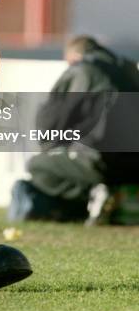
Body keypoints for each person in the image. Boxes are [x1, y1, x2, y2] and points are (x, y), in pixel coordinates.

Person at [9, 36, 139, 223]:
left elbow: (51, 122)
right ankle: (116, 199)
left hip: (99, 160)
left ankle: (92, 197)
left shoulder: (82, 70)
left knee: (38, 165)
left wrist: (55, 148)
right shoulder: (129, 70)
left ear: (73, 57)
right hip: (135, 164)